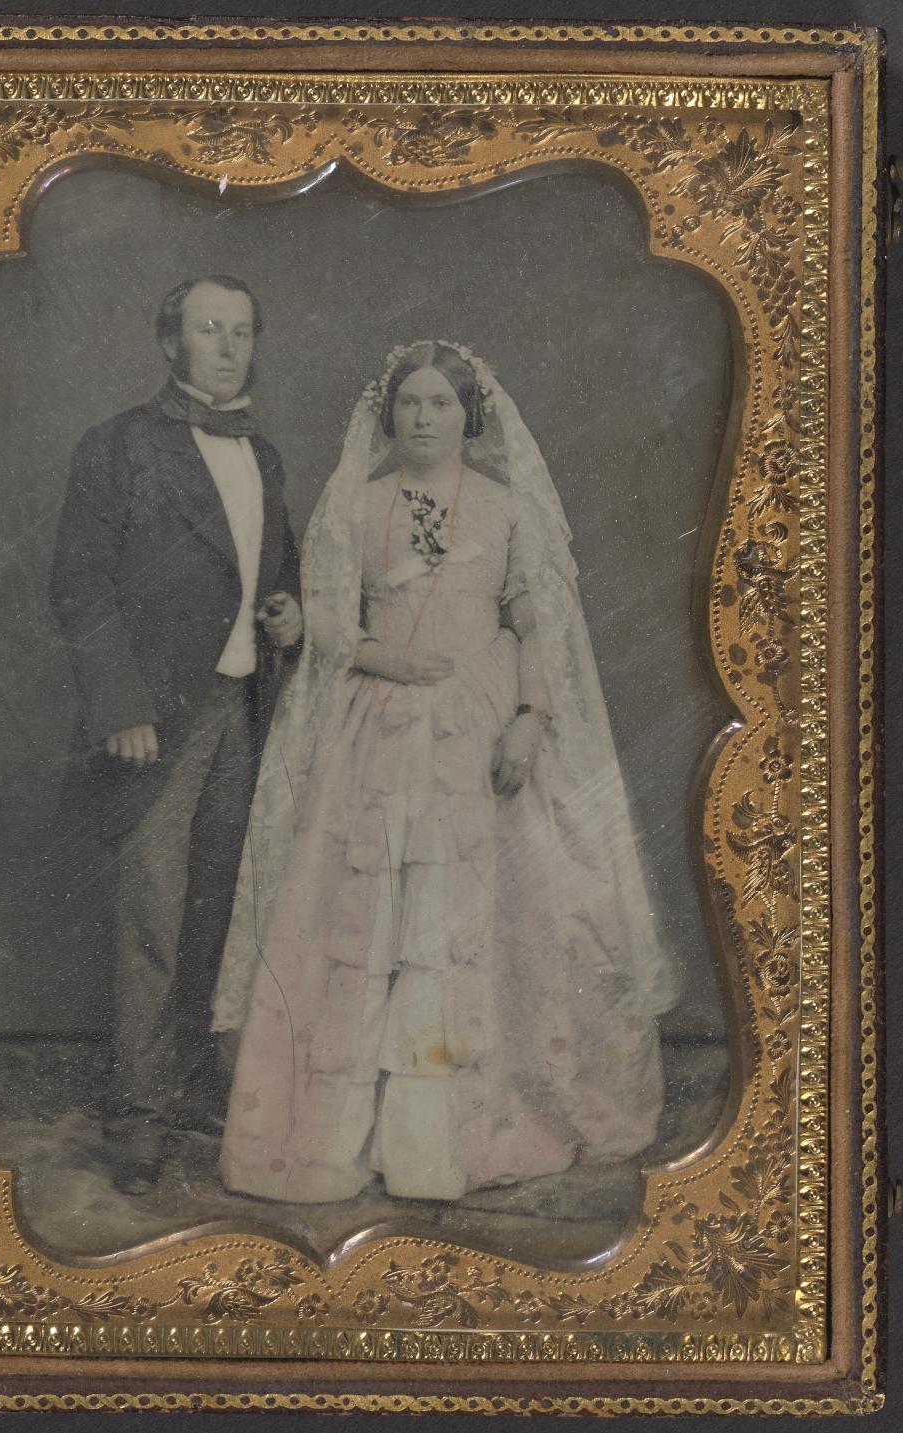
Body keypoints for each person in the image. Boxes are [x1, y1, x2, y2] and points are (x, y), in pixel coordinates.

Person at [211, 340, 677, 1205]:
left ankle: (458, 1134)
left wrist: (531, 721)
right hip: (378, 725)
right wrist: (379, 655)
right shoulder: (359, 501)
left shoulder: (503, 508)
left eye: (441, 405)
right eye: (411, 404)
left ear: (471, 417)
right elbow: (328, 615)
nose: (424, 419)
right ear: (389, 416)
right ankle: (355, 1138)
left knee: (487, 912)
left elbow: (537, 625)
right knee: (362, 909)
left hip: (484, 721)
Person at [49, 276, 301, 1189]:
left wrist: (290, 615)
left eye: (241, 330)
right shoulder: (119, 446)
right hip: (156, 723)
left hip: (241, 710)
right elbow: (79, 582)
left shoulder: (264, 457)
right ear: (171, 343)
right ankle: (141, 1115)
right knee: (151, 917)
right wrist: (120, 707)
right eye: (208, 329)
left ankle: (187, 1082)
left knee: (218, 911)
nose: (228, 346)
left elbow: (280, 570)